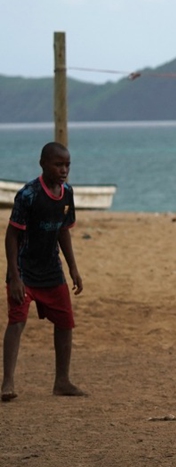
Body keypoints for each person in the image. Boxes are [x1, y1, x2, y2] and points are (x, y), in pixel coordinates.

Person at [3, 142, 86, 402]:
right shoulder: (28, 194)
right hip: (24, 271)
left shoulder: (67, 193)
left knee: (65, 323)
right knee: (16, 322)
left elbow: (63, 230)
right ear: (43, 164)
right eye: (58, 164)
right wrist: (15, 276)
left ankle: (62, 381)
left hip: (51, 269)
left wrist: (73, 267)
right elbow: (12, 235)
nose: (64, 170)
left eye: (67, 165)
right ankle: (7, 383)